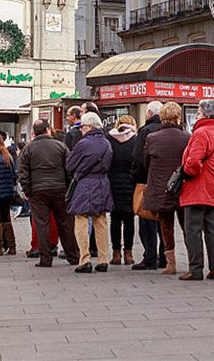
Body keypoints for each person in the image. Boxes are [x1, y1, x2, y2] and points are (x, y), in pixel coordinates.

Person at [17, 120, 79, 267]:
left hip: (38, 191)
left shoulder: (28, 148)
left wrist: (27, 190)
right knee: (65, 223)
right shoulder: (60, 146)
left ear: (34, 131)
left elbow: (23, 172)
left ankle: (45, 258)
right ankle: (73, 255)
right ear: (47, 129)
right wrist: (68, 186)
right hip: (59, 189)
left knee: (41, 224)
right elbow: (69, 169)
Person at [141, 101, 191, 275]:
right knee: (187, 227)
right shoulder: (187, 137)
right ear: (178, 117)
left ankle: (171, 264)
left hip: (161, 189)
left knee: (166, 226)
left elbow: (145, 162)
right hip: (183, 188)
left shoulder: (152, 138)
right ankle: (194, 262)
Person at [179, 99, 214, 281]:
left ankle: (195, 269)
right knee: (212, 228)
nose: (196, 115)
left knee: (193, 229)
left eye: (198, 112)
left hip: (197, 187)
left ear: (205, 114)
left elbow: (193, 162)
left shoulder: (200, 133)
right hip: (213, 185)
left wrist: (186, 173)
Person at [66, 112, 114, 273]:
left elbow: (70, 164)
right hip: (102, 183)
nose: (81, 130)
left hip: (85, 184)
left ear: (90, 126)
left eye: (83, 126)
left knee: (80, 220)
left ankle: (84, 259)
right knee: (100, 220)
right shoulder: (107, 143)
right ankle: (103, 259)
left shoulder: (83, 143)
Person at [132, 100, 167, 270]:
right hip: (166, 184)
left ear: (149, 113)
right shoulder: (170, 130)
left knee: (147, 221)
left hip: (147, 182)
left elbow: (138, 159)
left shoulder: (145, 131)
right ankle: (165, 256)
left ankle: (150, 257)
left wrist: (136, 179)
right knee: (164, 221)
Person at [107, 114, 138, 266]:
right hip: (131, 183)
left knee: (115, 219)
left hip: (113, 183)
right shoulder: (135, 140)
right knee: (129, 219)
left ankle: (116, 253)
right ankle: (129, 253)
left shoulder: (110, 139)